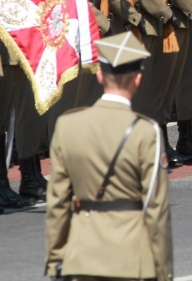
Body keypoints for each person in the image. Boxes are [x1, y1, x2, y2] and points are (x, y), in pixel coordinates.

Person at [45, 32, 172, 281]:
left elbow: (58, 202)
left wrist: (56, 258)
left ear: (100, 75)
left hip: (82, 254)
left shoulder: (68, 126)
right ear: (137, 79)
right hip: (130, 256)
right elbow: (156, 209)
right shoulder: (146, 132)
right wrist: (163, 271)